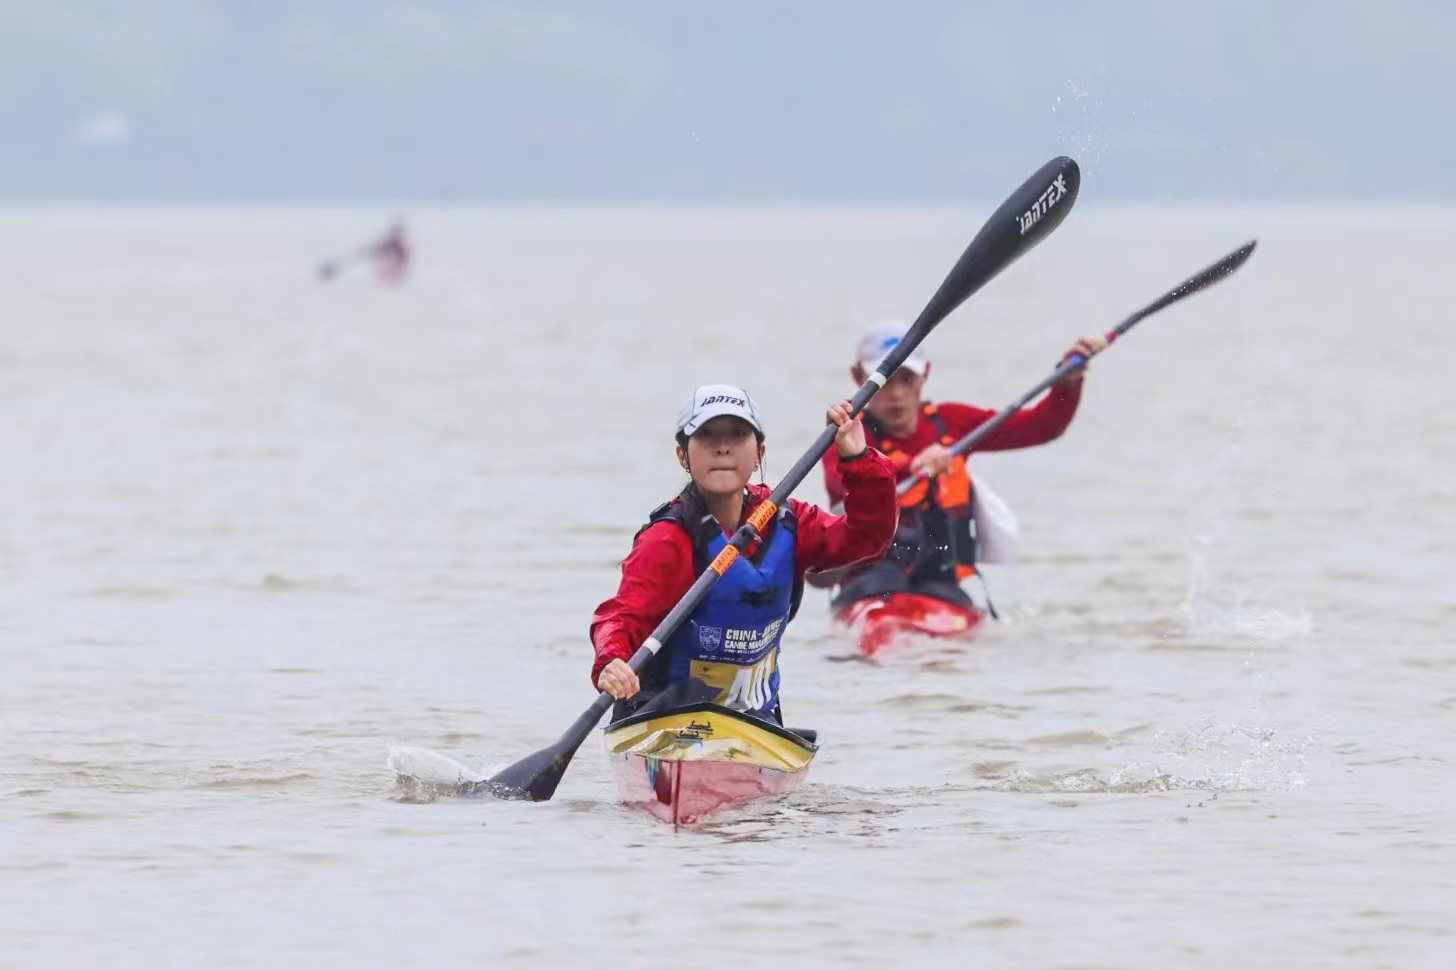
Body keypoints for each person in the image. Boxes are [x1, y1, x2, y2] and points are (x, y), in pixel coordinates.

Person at [591, 384, 898, 724]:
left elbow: (869, 540)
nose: (723, 448)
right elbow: (621, 616)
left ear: (760, 454)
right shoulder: (666, 540)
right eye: (708, 436)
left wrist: (857, 457)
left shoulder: (789, 523)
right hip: (664, 718)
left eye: (737, 435)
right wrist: (611, 662)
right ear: (683, 456)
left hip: (755, 724)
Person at [814, 321, 1099, 612]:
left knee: (946, 598)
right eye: (885, 380)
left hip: (939, 585)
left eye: (907, 379)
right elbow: (838, 483)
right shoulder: (846, 427)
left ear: (926, 373)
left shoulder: (952, 423)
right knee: (878, 580)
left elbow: (1042, 427)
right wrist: (914, 466)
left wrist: (1068, 382)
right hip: (867, 584)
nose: (896, 394)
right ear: (857, 376)